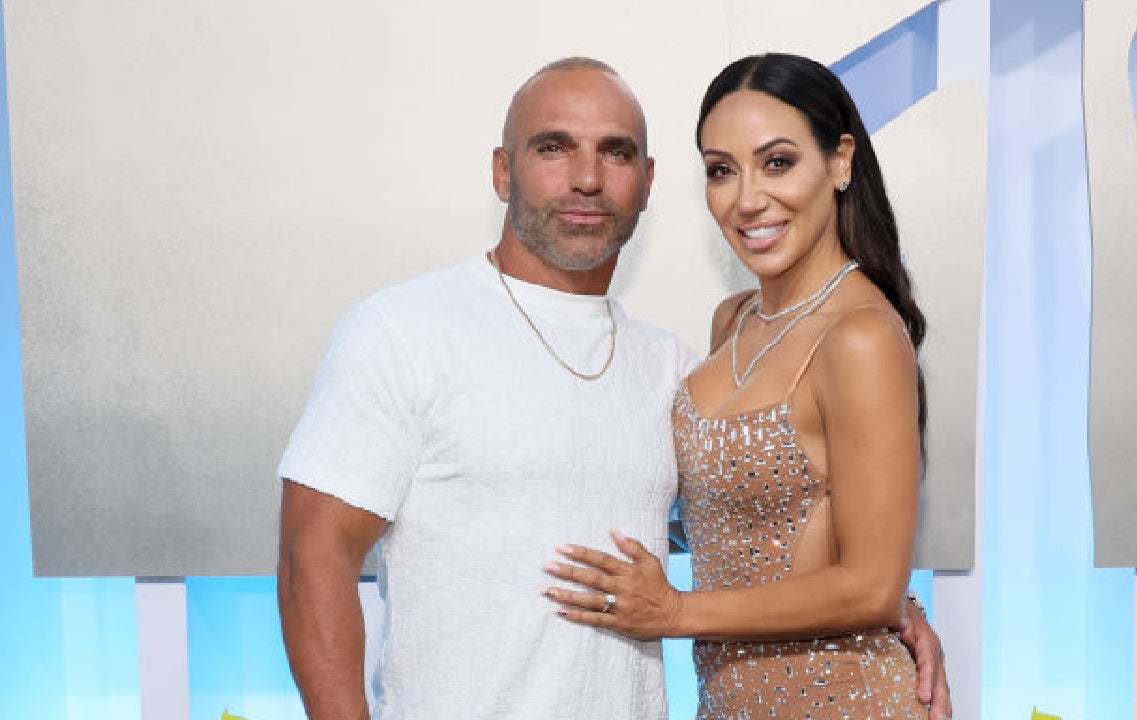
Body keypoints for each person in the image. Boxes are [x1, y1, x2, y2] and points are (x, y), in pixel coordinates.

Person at [276, 56, 950, 720]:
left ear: (648, 181)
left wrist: (885, 602)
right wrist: (876, 595)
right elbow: (313, 556)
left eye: (616, 153)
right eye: (553, 147)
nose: (587, 178)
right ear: (502, 171)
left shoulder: (670, 365)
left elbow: (774, 514)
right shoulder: (403, 330)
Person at [544, 53, 942, 719]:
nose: (748, 198)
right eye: (722, 170)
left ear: (840, 162)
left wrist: (674, 611)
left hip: (843, 702)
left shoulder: (861, 336)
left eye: (777, 162)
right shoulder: (733, 321)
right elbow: (743, 512)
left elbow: (871, 586)